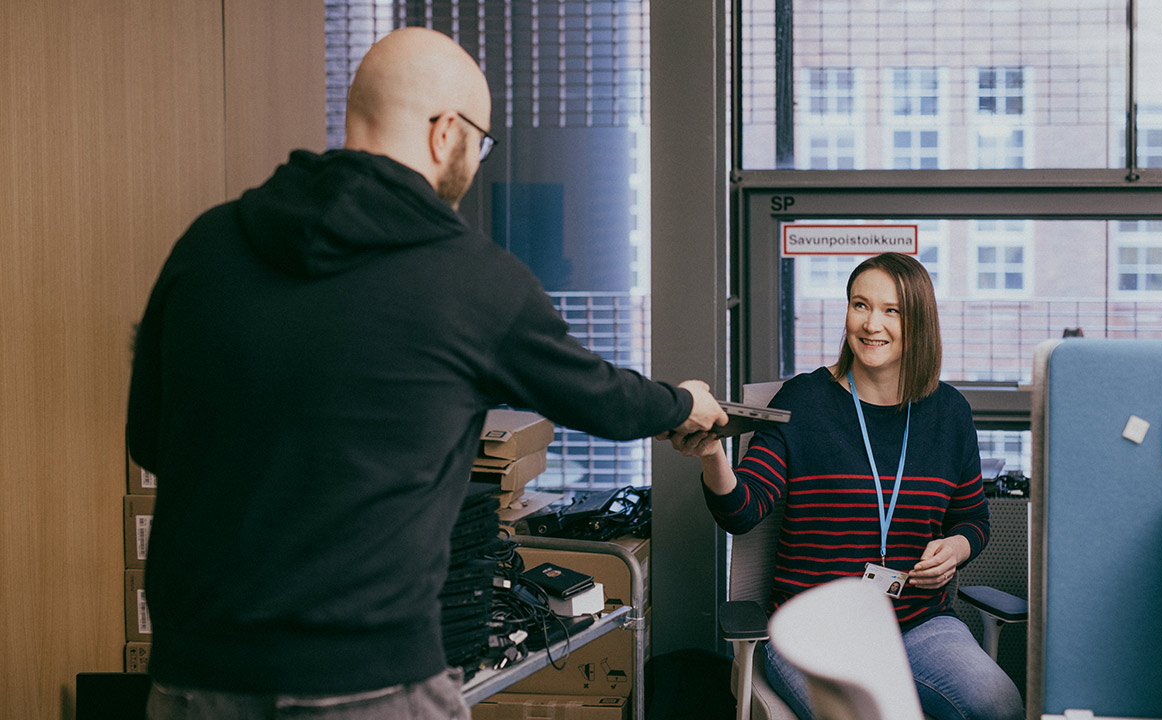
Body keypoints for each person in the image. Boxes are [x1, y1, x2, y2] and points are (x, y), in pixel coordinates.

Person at [126, 27, 726, 720]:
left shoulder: (210, 244)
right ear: (446, 133)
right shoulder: (470, 282)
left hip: (194, 675)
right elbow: (602, 398)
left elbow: (150, 440)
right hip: (366, 678)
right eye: (480, 142)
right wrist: (683, 403)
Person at [666, 252, 1022, 720]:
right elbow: (742, 509)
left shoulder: (949, 413)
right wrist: (713, 454)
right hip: (817, 627)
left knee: (1000, 704)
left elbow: (972, 520)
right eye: (860, 304)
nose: (872, 323)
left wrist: (955, 549)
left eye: (892, 310)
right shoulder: (806, 401)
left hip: (917, 624)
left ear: (919, 322)